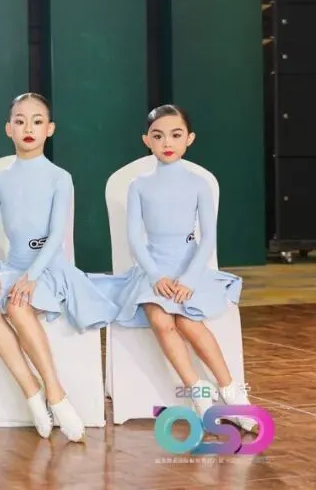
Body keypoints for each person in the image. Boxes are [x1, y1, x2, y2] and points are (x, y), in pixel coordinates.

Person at [0, 92, 117, 442]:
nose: (28, 128)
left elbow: (55, 235)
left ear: (50, 129)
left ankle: (56, 394)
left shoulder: (59, 177)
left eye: (37, 121)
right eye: (20, 121)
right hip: (12, 266)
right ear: (9, 128)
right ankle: (31, 392)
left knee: (18, 305)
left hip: (48, 267)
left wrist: (31, 277)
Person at [96, 104, 254, 431]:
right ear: (147, 140)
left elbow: (208, 237)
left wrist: (189, 279)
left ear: (189, 139)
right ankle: (199, 392)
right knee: (160, 319)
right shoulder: (139, 185)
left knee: (188, 320)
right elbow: (134, 239)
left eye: (175, 135)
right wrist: (156, 276)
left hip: (189, 268)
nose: (167, 142)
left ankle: (233, 394)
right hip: (153, 269)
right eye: (158, 136)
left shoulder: (199, 184)